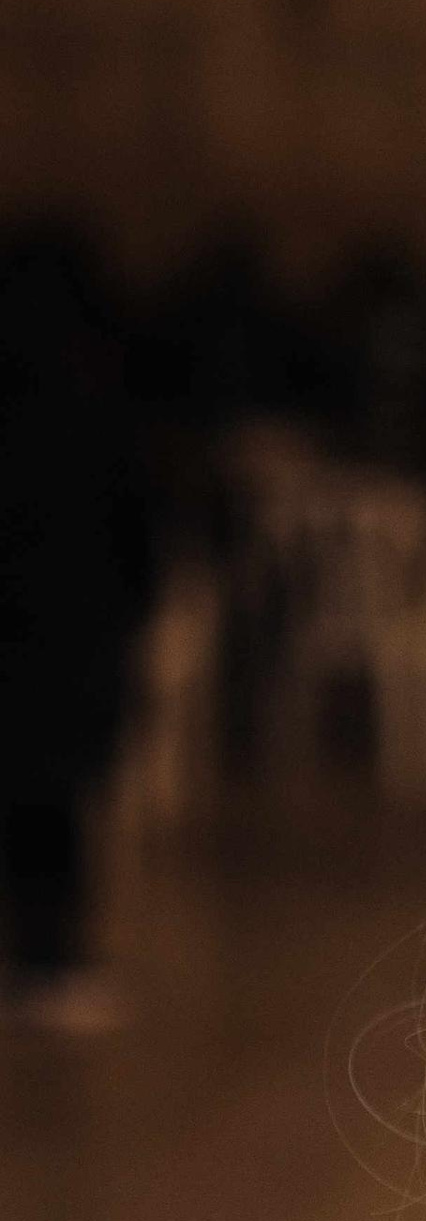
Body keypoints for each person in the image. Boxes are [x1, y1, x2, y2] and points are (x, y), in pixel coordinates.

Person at [0, 229, 157, 1031]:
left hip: (46, 633)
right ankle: (48, 960)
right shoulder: (98, 407)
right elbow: (139, 542)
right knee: (51, 802)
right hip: (71, 638)